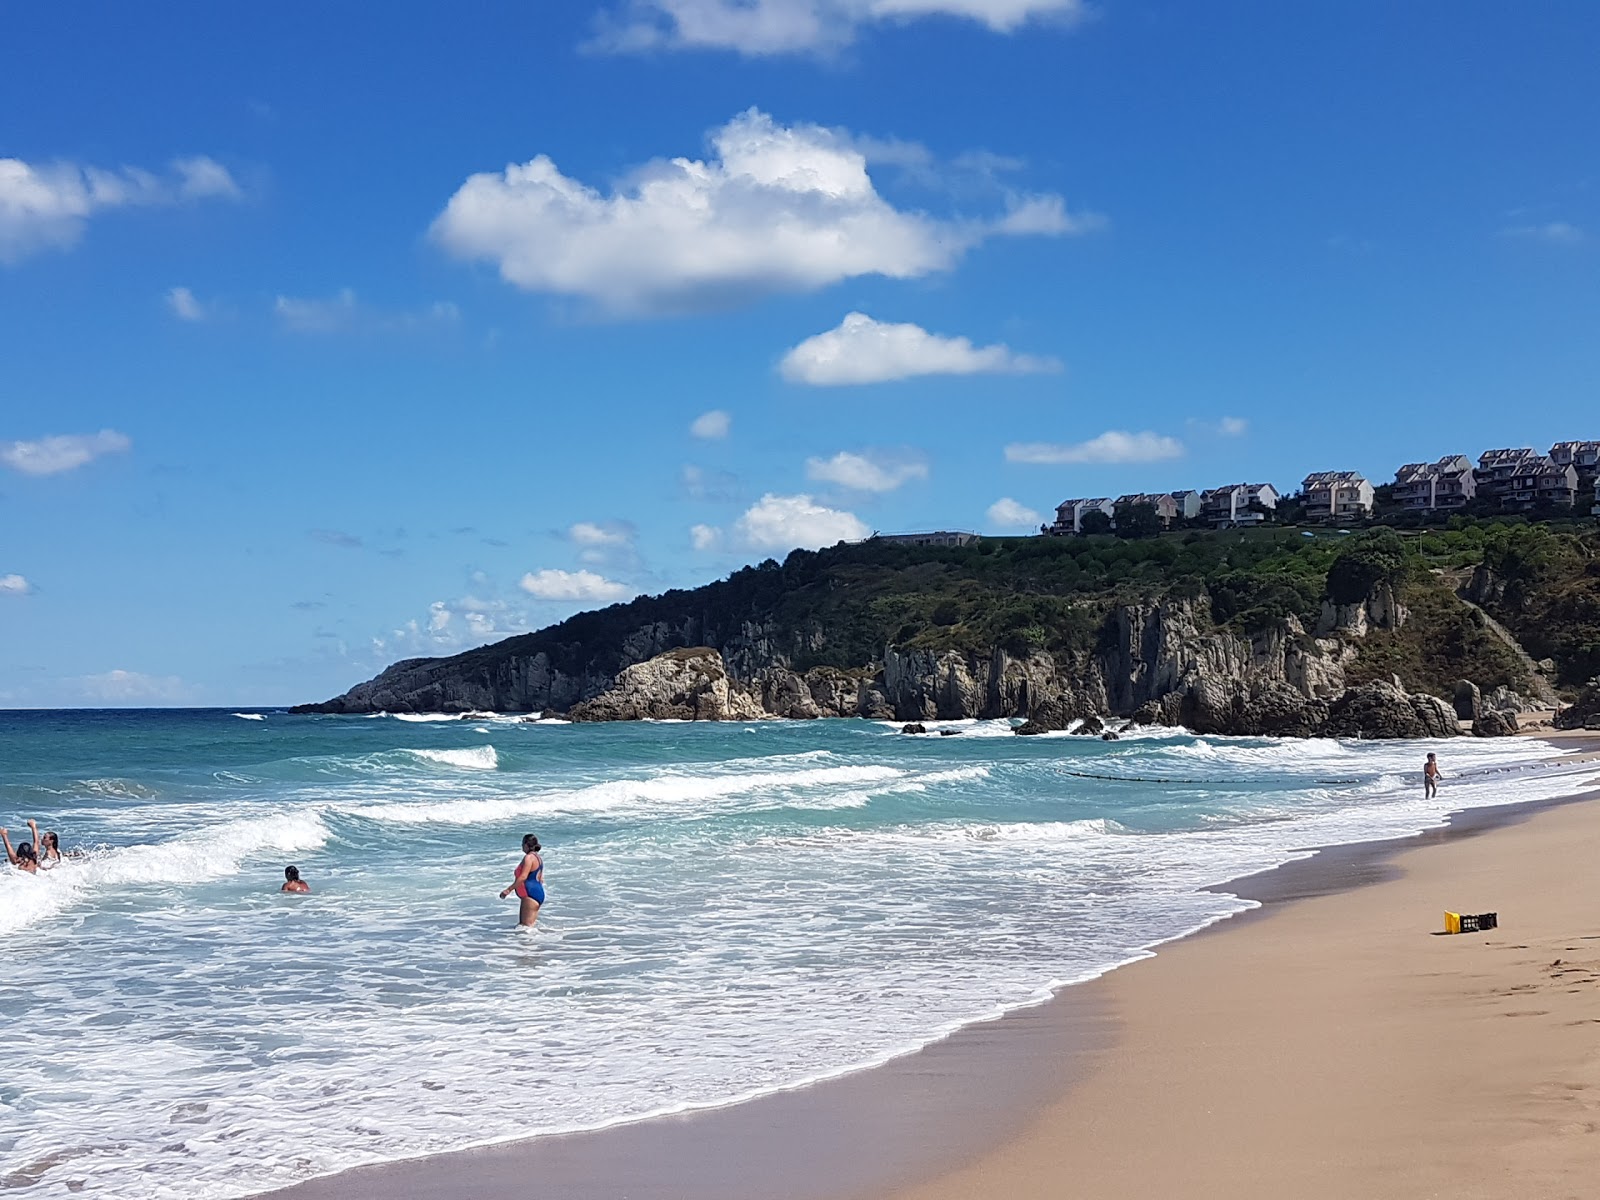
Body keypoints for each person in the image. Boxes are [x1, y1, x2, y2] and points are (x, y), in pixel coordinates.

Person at [499, 834, 544, 927]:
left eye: (522, 844)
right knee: (530, 927)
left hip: (530, 895)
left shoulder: (528, 858)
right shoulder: (538, 858)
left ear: (527, 845)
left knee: (524, 928)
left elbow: (523, 877)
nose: (521, 846)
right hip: (538, 892)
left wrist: (508, 890)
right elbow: (540, 878)